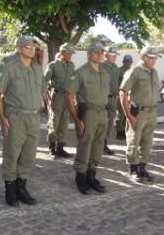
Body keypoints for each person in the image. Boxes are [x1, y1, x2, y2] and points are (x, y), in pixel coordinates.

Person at [0, 35, 45, 206]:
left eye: (33, 46)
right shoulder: (9, 66)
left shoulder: (36, 68)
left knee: (29, 154)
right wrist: (2, 118)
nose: (32, 49)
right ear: (19, 48)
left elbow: (42, 90)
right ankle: (10, 189)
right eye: (29, 46)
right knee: (12, 153)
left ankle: (21, 187)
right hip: (15, 116)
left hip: (33, 116)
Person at [65, 42, 110, 194]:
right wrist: (76, 119)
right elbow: (69, 95)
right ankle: (80, 177)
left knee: (98, 145)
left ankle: (92, 175)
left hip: (103, 113)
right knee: (85, 145)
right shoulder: (80, 72)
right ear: (89, 54)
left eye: (102, 52)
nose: (100, 55)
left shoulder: (104, 72)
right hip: (88, 113)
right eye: (97, 53)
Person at [119, 47, 161, 182]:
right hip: (138, 113)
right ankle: (133, 169)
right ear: (143, 57)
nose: (154, 60)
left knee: (147, 142)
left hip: (152, 112)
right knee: (134, 141)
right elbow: (122, 93)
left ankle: (142, 167)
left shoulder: (154, 72)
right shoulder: (134, 72)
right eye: (151, 58)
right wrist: (128, 115)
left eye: (155, 58)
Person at [44, 43, 75, 158]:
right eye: (69, 53)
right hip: (56, 96)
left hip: (68, 97)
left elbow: (73, 82)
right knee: (54, 121)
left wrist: (73, 97)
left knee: (64, 121)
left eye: (71, 53)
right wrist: (48, 100)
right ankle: (52, 148)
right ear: (62, 52)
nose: (71, 55)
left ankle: (60, 147)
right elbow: (43, 83)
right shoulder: (53, 66)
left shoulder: (71, 66)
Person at [102, 46, 119, 155]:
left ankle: (104, 144)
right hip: (103, 99)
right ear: (106, 55)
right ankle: (98, 145)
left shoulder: (115, 67)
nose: (115, 58)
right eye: (113, 55)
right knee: (101, 123)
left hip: (113, 99)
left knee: (109, 123)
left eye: (116, 56)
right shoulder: (100, 66)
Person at [115, 54, 133, 140]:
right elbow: (116, 84)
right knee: (121, 114)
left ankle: (126, 131)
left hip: (130, 97)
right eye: (126, 61)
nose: (128, 63)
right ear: (123, 62)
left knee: (128, 114)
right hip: (121, 96)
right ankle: (119, 131)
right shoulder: (119, 71)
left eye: (129, 62)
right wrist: (118, 95)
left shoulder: (133, 71)